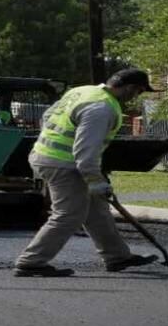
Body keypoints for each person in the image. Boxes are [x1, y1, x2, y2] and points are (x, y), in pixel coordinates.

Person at [13, 69, 160, 277]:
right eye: (138, 92)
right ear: (130, 88)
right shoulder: (102, 108)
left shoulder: (83, 91)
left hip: (48, 155)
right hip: (62, 164)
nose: (135, 97)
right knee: (69, 214)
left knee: (96, 209)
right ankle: (31, 262)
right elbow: (86, 153)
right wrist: (96, 181)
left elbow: (46, 116)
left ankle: (117, 257)